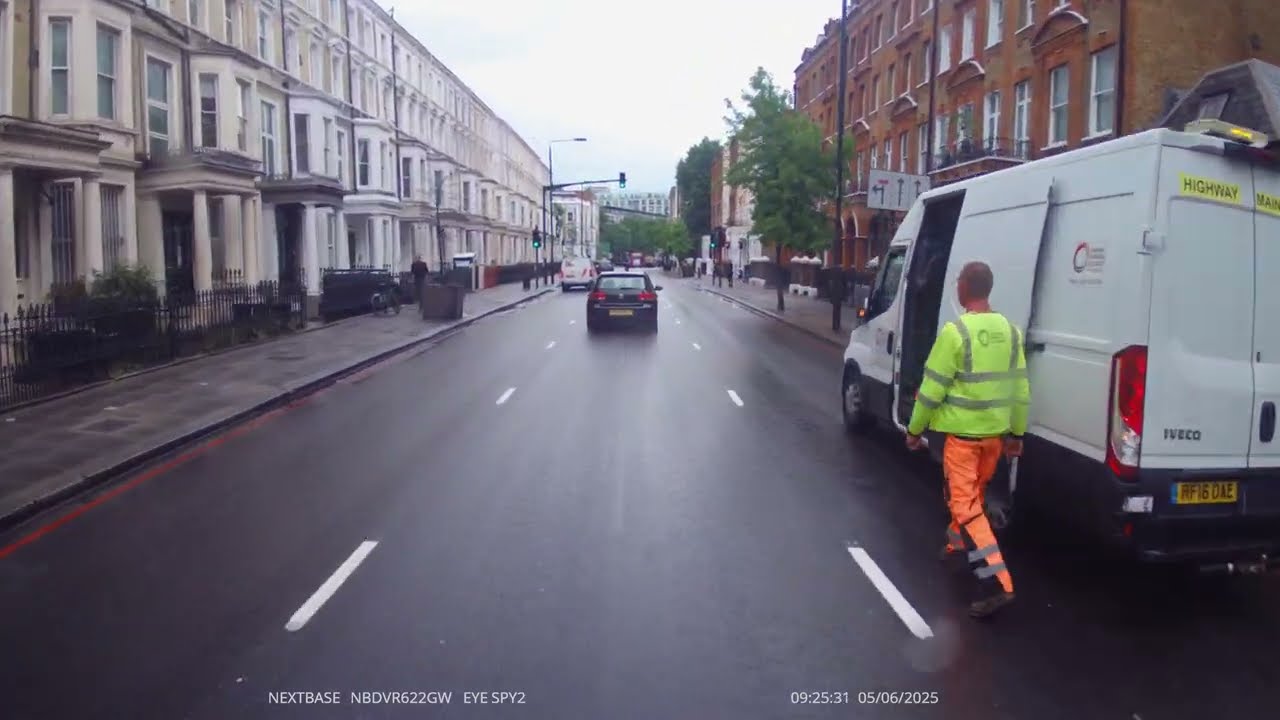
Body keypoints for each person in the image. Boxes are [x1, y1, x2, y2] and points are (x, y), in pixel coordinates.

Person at [905, 261, 1030, 620]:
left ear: (964, 289)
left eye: (958, 281)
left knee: (965, 506)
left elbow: (930, 391)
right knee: (971, 498)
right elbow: (1020, 389)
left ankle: (997, 583)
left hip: (961, 440)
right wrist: (1016, 435)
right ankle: (957, 544)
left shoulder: (954, 333)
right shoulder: (1011, 332)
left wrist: (915, 431)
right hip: (994, 438)